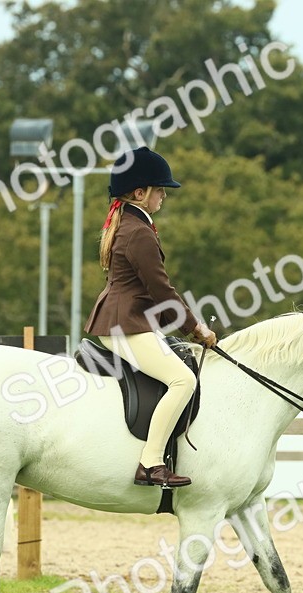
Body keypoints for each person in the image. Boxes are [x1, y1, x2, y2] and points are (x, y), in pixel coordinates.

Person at [84, 146, 217, 488]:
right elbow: (161, 290)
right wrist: (195, 327)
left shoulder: (129, 224)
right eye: (159, 190)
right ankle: (151, 462)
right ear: (140, 193)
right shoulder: (138, 231)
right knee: (182, 381)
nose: (163, 196)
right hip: (124, 323)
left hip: (127, 319)